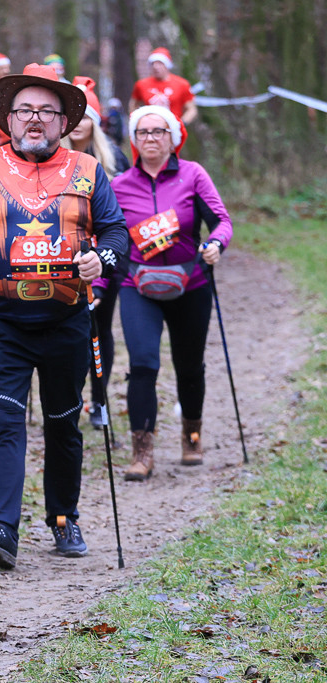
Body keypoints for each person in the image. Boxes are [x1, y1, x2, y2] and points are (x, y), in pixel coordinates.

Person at [0, 64, 129, 570]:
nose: (35, 120)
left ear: (64, 121)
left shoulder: (87, 169)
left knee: (64, 423)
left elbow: (116, 235)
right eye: (25, 111)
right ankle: (0, 527)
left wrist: (99, 261)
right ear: (9, 119)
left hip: (67, 321)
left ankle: (64, 517)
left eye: (46, 111)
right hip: (3, 324)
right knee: (4, 420)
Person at [111, 105, 232, 480]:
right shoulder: (119, 185)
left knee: (189, 366)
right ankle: (142, 453)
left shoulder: (193, 175)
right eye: (143, 132)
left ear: (173, 137)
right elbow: (109, 238)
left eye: (158, 131)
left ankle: (191, 435)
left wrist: (215, 244)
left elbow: (222, 221)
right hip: (137, 285)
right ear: (134, 140)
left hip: (190, 283)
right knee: (143, 364)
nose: (150, 138)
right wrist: (99, 285)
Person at [66, 76, 132, 429]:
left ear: (95, 122)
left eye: (86, 118)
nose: (79, 126)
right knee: (71, 329)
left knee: (100, 326)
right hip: (64, 256)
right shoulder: (53, 157)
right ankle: (70, 397)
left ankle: (99, 399)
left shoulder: (114, 158)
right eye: (73, 119)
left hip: (106, 257)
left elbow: (125, 213)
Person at [130, 47, 197, 124]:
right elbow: (133, 105)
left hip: (173, 127)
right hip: (150, 129)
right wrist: (137, 122)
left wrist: (181, 123)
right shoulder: (141, 84)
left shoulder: (182, 84)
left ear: (167, 65)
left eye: (160, 63)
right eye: (153, 63)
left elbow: (192, 109)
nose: (155, 67)